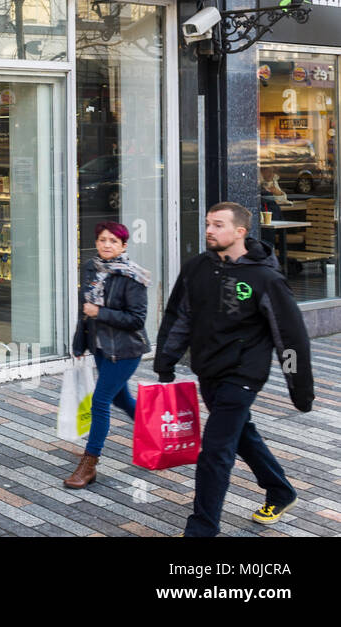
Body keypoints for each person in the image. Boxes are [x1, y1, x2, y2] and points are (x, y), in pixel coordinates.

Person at [154, 201, 315, 536]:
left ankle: (202, 529)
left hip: (243, 375)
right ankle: (281, 490)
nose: (210, 230)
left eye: (218, 225)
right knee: (242, 434)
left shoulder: (265, 278)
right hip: (208, 371)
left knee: (216, 451)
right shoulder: (196, 268)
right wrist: (165, 362)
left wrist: (300, 389)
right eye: (208, 224)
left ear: (240, 232)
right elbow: (179, 317)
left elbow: (289, 336)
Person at [64, 221, 150, 489]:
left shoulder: (133, 277)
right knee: (122, 399)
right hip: (101, 348)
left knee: (100, 401)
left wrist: (99, 313)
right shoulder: (92, 267)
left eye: (113, 241)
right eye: (102, 240)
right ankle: (154, 434)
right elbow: (84, 310)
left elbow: (137, 319)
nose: (107, 245)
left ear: (124, 246)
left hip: (126, 351)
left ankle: (89, 464)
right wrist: (79, 345)